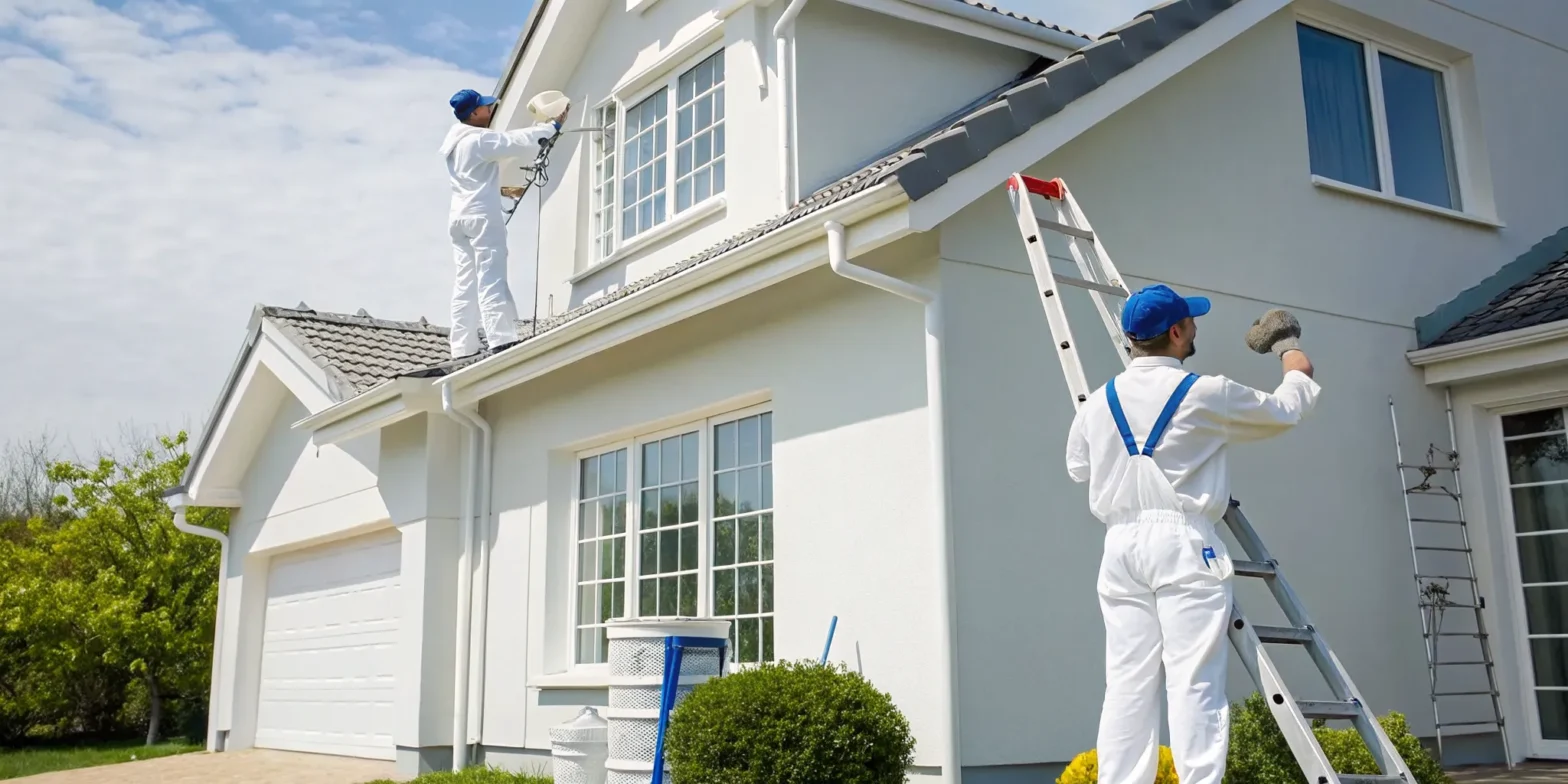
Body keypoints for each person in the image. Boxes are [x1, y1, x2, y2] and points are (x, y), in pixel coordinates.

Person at [1064, 285, 1320, 784]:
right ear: (1177, 332)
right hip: (1182, 542)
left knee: (1127, 685)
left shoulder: (1096, 404)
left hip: (1120, 548)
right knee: (1193, 682)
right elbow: (1289, 406)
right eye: (1191, 322)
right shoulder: (1205, 393)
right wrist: (1289, 347)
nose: (1196, 328)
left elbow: (1078, 467)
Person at [439, 88, 570, 359]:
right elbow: (514, 141)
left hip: (459, 218)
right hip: (482, 218)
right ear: (474, 113)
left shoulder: (455, 145)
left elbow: (483, 168)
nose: (490, 110)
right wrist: (552, 126)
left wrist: (503, 190)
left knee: (466, 281)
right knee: (491, 275)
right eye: (485, 107)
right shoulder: (477, 140)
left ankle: (462, 347)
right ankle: (501, 338)